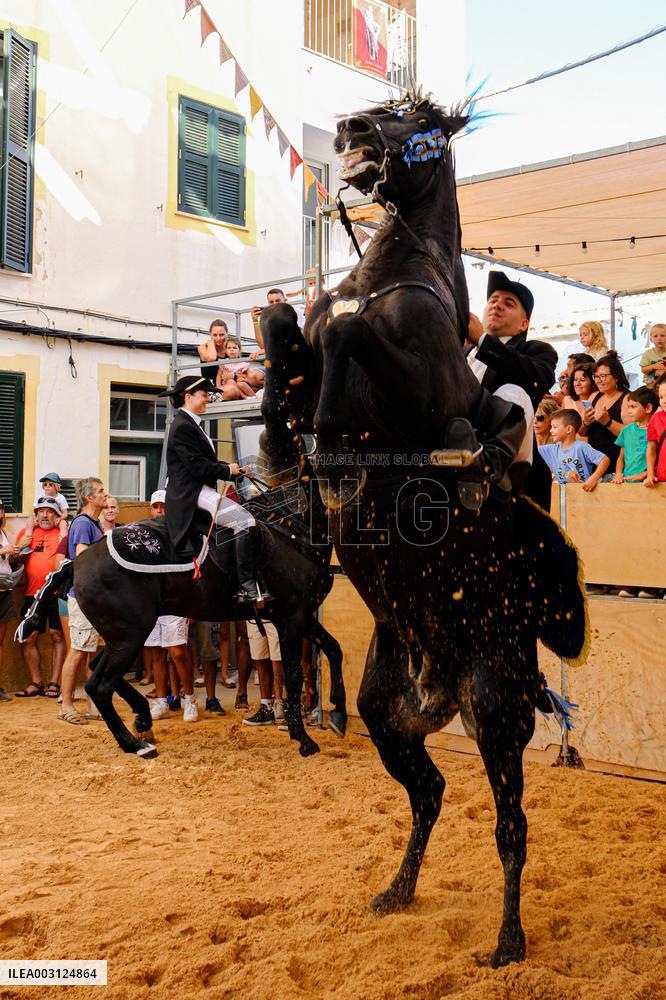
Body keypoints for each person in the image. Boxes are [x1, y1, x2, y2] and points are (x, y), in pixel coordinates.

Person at [158, 375, 270, 605]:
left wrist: (236, 470)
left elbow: (203, 461)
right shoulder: (181, 426)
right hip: (191, 492)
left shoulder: (191, 424)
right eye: (204, 395)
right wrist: (227, 470)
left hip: (199, 487)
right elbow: (197, 466)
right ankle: (247, 586)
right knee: (245, 522)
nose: (207, 399)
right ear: (188, 397)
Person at [465, 271, 558, 510]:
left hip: (515, 477)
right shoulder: (460, 354)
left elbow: (535, 380)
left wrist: (484, 341)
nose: (497, 306)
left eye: (509, 304)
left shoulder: (538, 351)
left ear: (523, 324)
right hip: (458, 454)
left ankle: (489, 467)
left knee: (514, 392)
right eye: (493, 300)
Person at [58, 477, 107, 725]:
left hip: (95, 599)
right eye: (100, 491)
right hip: (83, 598)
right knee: (77, 651)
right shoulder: (82, 523)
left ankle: (92, 705)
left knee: (93, 652)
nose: (105, 495)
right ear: (89, 497)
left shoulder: (94, 524)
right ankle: (66, 705)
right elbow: (81, 557)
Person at [15, 498, 68, 698]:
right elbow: (15, 557)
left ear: (56, 515)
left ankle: (54, 683)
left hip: (56, 593)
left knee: (57, 635)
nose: (45, 515)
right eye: (41, 511)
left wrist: (63, 527)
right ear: (35, 515)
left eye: (50, 511)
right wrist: (27, 533)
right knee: (28, 638)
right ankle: (36, 682)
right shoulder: (28, 532)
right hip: (32, 594)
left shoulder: (63, 532)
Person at [579, 353, 630, 473]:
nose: (598, 381)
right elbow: (581, 432)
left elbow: (632, 435)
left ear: (616, 377)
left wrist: (608, 422)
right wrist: (585, 423)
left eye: (603, 376)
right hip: (594, 464)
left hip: (616, 466)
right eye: (596, 376)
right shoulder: (593, 396)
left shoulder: (627, 399)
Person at [538, 409, 610, 491]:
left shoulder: (581, 447)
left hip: (584, 493)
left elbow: (605, 460)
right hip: (564, 496)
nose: (551, 430)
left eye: (554, 427)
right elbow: (530, 449)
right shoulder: (551, 450)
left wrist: (593, 479)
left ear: (569, 429)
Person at [612, 387, 658, 485]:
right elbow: (621, 458)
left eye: (633, 407)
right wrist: (619, 474)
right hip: (627, 482)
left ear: (648, 408)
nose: (629, 411)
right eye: (628, 407)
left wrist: (646, 474)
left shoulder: (658, 430)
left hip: (650, 483)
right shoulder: (626, 430)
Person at [243, 619, 284, 726]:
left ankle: (282, 705)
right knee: (259, 655)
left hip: (274, 610)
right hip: (253, 609)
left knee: (279, 656)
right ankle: (266, 708)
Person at [0, 500, 21, 702]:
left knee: (0, 642)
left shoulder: (4, 534)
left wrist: (14, 556)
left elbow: (7, 562)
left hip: (4, 589)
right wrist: (2, 551)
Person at [644, 376, 666, 488]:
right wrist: (650, 473)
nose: (664, 401)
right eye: (661, 397)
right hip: (662, 479)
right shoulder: (656, 418)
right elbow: (651, 448)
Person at [639, 323, 666, 388]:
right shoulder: (647, 353)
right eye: (655, 336)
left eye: (662, 336)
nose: (659, 338)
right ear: (651, 339)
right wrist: (654, 366)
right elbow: (643, 370)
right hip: (651, 385)